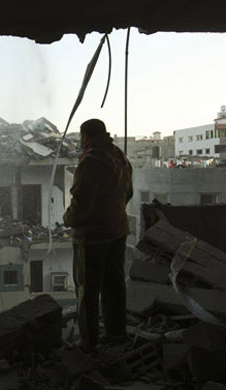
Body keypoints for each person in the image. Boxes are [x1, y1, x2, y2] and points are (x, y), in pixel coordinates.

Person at [63, 119, 133, 352]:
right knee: (114, 284)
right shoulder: (118, 156)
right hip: (118, 230)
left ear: (85, 136)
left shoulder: (91, 161)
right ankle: (116, 333)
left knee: (87, 291)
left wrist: (68, 219)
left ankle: (89, 342)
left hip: (92, 236)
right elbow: (128, 193)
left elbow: (82, 203)